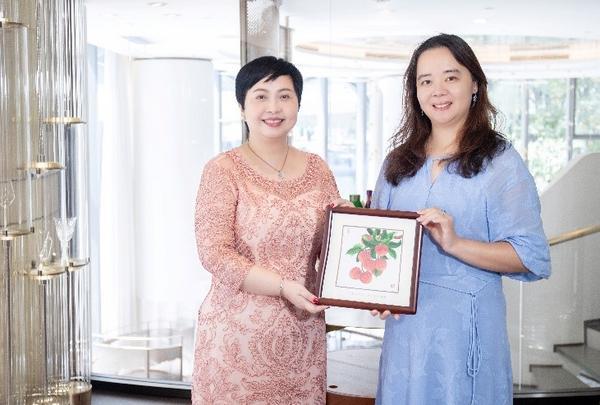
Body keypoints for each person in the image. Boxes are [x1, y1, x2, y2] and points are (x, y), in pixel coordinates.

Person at [370, 34, 551, 405]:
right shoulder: (397, 164)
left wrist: (456, 244)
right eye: (426, 81)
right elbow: (380, 250)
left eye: (451, 77)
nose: (438, 90)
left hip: (467, 332)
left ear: (475, 85)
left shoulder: (501, 162)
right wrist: (377, 292)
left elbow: (529, 255)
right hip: (406, 334)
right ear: (415, 93)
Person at [192, 56, 343, 404]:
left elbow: (332, 248)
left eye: (284, 96)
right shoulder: (222, 170)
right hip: (236, 338)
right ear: (242, 107)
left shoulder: (319, 169)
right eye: (261, 96)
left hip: (302, 332)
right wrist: (282, 286)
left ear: (298, 104)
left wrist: (351, 232)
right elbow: (214, 253)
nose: (273, 107)